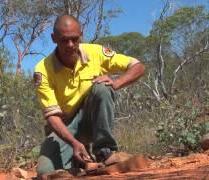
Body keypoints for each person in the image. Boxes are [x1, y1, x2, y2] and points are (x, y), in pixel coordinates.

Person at [33, 15, 145, 176]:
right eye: (64, 40)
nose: (70, 45)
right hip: (66, 128)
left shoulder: (96, 52)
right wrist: (73, 142)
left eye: (74, 39)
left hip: (92, 119)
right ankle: (79, 160)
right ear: (54, 38)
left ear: (81, 35)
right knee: (45, 171)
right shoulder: (42, 70)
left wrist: (118, 83)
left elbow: (138, 66)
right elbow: (53, 118)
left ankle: (105, 153)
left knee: (102, 88)